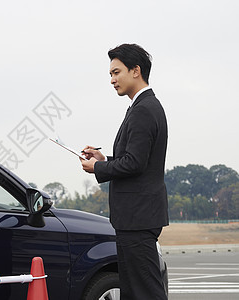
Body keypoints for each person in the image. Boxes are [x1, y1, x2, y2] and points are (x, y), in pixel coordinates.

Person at [80, 44, 168, 299]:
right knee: (134, 290)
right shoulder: (142, 107)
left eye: (116, 72)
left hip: (138, 219)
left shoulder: (144, 109)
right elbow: (134, 159)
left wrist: (98, 166)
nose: (112, 80)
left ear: (136, 71)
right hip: (136, 218)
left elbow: (134, 164)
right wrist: (104, 158)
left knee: (146, 292)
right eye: (110, 74)